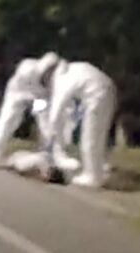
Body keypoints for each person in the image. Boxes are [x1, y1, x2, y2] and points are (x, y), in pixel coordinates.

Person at [0, 55, 79, 170]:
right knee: (7, 120)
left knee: (45, 125)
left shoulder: (58, 81)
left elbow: (65, 107)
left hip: (39, 98)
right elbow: (20, 89)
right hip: (18, 93)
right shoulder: (27, 68)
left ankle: (47, 155)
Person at [43, 53, 117, 188]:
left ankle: (92, 177)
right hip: (107, 89)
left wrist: (52, 140)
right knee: (97, 137)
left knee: (90, 138)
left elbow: (55, 114)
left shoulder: (61, 79)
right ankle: (99, 172)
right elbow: (67, 110)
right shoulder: (72, 68)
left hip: (96, 95)